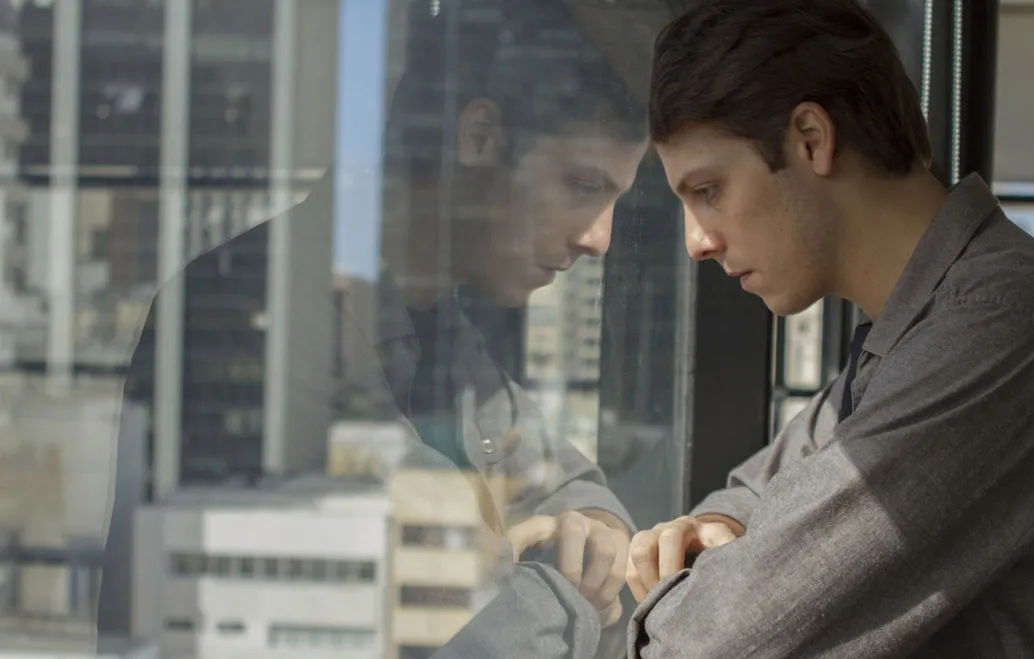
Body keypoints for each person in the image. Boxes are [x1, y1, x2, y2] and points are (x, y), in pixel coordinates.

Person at [625, 1, 1034, 657]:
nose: (698, 240)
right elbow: (751, 491)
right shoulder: (910, 331)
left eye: (708, 189)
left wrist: (702, 584)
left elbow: (719, 641)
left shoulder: (1013, 329)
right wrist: (716, 527)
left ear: (810, 138)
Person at [100, 0, 650, 656]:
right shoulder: (252, 313)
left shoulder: (439, 323)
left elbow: (564, 486)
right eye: (583, 186)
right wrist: (571, 597)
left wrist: (591, 531)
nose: (600, 239)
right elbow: (477, 628)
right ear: (478, 135)